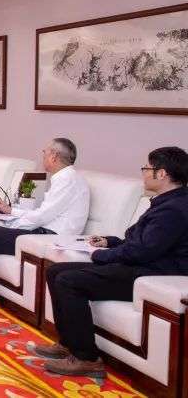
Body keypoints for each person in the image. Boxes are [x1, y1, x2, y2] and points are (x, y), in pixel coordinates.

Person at [36, 146, 188, 378]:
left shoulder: (174, 209)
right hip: (142, 264)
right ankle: (68, 343)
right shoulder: (166, 202)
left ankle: (86, 358)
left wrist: (100, 256)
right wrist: (110, 242)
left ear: (162, 173)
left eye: (147, 168)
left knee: (68, 281)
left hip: (151, 273)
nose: (143, 172)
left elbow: (142, 251)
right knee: (55, 271)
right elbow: (139, 241)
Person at [0, 138, 89, 312]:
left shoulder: (67, 180)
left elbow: (41, 216)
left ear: (54, 156)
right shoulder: (66, 178)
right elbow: (43, 213)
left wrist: (13, 221)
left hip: (48, 236)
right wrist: (10, 211)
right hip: (41, 230)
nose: (43, 154)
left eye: (46, 151)